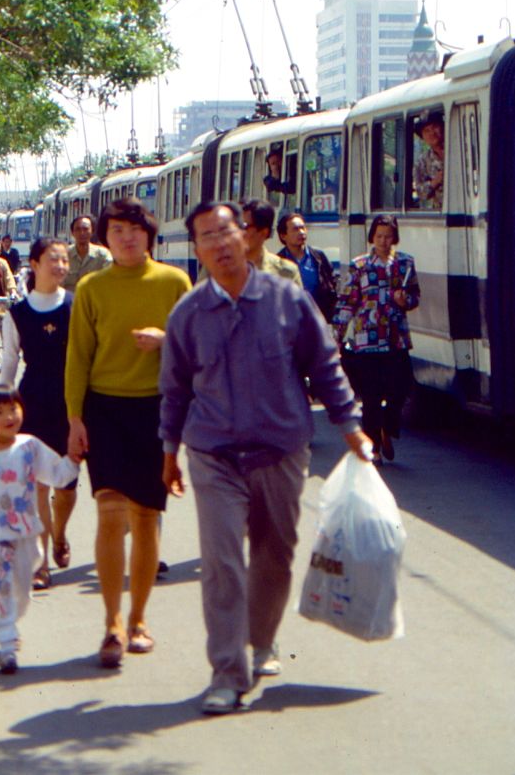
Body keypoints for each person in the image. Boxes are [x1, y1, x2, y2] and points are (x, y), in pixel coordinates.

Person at [159, 201, 371, 716]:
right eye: (206, 237)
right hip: (214, 453)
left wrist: (351, 427)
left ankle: (261, 640)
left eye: (226, 232)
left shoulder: (286, 299)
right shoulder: (187, 314)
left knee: (275, 554)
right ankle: (227, 673)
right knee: (223, 562)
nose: (219, 243)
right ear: (199, 250)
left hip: (279, 448)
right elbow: (174, 390)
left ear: (245, 237)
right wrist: (168, 452)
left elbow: (325, 365)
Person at [65, 197, 191, 669]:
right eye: (116, 230)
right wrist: (75, 419)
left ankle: (139, 619)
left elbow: (194, 348)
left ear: (150, 234)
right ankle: (113, 623)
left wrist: (166, 340)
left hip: (156, 410)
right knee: (110, 514)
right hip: (105, 410)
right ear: (105, 237)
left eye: (134, 229)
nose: (126, 237)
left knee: (145, 517)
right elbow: (78, 356)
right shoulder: (94, 287)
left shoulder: (175, 282)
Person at [0, 383, 81, 674]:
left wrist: (72, 462)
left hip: (26, 533)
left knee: (21, 589)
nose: (8, 416)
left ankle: (12, 619)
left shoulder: (30, 447)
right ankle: (7, 644)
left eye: (13, 409)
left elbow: (55, 472)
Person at [0, 237, 76, 590]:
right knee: (37, 486)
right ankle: (41, 561)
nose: (60, 266)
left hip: (71, 404)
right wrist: (2, 416)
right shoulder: (17, 314)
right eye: (52, 259)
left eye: (64, 260)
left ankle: (60, 534)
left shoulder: (76, 307)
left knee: (67, 486)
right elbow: (9, 369)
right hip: (33, 405)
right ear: (34, 263)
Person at [334, 214, 420, 465]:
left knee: (401, 388)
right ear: (372, 237)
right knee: (371, 396)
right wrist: (337, 337)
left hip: (396, 338)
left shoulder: (405, 263)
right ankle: (373, 447)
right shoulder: (360, 265)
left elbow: (415, 295)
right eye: (379, 236)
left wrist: (407, 301)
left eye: (388, 236)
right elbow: (347, 302)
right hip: (367, 339)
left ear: (395, 238)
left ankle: (387, 426)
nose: (383, 241)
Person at [277, 212, 337, 321]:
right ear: (283, 235)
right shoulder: (278, 262)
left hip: (319, 320)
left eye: (303, 228)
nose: (301, 232)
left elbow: (332, 284)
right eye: (295, 229)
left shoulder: (318, 257)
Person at [240, 198, 302, 286]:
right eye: (233, 225)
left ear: (263, 233)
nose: (236, 231)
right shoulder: (220, 269)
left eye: (243, 226)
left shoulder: (286, 273)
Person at [63, 213, 111, 293]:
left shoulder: (103, 256)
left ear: (92, 231)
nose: (82, 233)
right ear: (72, 233)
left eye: (85, 229)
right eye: (78, 229)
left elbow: (109, 281)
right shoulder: (64, 255)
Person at [413, 110, 445, 209]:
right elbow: (420, 193)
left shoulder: (460, 148)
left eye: (434, 127)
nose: (432, 133)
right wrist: (434, 182)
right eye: (426, 130)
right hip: (442, 213)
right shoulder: (422, 161)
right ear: (422, 137)